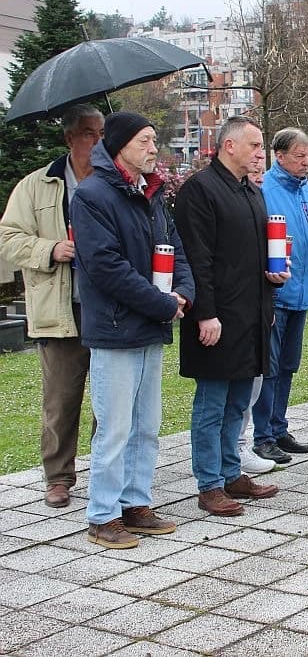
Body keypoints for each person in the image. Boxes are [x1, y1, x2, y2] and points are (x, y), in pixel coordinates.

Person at [71, 111, 195, 549]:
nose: (153, 147)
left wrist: (183, 291)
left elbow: (174, 247)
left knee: (146, 423)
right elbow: (105, 267)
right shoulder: (92, 196)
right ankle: (102, 514)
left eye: (154, 139)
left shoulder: (152, 194)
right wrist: (161, 303)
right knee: (115, 425)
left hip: (151, 324)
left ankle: (135, 502)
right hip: (116, 327)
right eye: (144, 140)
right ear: (121, 145)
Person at [175, 116, 286, 516]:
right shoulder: (199, 191)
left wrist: (273, 283)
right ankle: (209, 485)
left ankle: (231, 472)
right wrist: (204, 313)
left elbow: (254, 254)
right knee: (212, 404)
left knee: (238, 403)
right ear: (229, 146)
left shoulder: (250, 192)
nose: (261, 154)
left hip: (250, 315)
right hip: (215, 318)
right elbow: (197, 260)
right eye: (255, 145)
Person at [0, 104, 103, 508]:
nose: (97, 141)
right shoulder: (37, 185)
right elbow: (8, 237)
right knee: (60, 400)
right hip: (59, 309)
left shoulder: (114, 181)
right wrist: (50, 248)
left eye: (101, 133)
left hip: (107, 308)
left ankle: (106, 471)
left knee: (109, 400)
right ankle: (58, 478)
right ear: (69, 138)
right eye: (88, 134)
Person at [252, 128, 308, 464]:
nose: (305, 162)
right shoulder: (264, 190)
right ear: (279, 156)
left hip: (302, 289)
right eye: (299, 155)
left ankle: (279, 426)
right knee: (269, 366)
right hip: (276, 292)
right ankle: (262, 435)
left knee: (288, 366)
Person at [236, 167, 276, 476]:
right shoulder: (217, 193)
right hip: (234, 306)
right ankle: (234, 449)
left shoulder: (257, 196)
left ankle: (244, 444)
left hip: (263, 299)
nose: (257, 165)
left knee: (258, 378)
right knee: (233, 389)